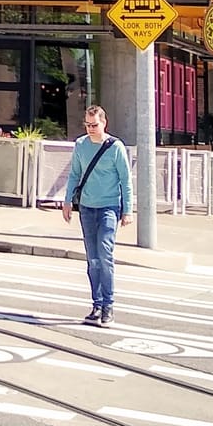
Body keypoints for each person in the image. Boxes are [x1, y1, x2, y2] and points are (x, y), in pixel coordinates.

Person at [59, 104, 132, 325]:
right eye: (88, 125)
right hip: (87, 208)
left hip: (109, 207)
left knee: (105, 254)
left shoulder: (115, 147)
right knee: (92, 259)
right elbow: (74, 174)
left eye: (95, 125)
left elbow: (125, 180)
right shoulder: (81, 145)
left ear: (104, 123)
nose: (91, 129)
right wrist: (67, 201)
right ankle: (96, 303)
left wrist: (127, 210)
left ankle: (108, 304)